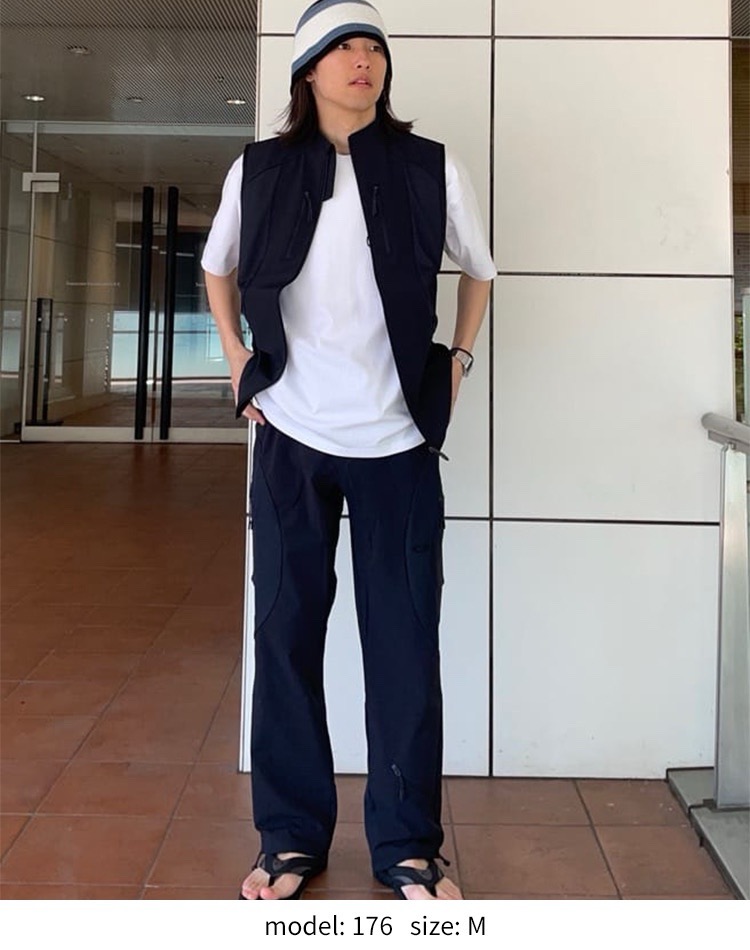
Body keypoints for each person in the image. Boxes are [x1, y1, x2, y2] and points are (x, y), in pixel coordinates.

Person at [202, 0, 494, 901]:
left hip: (398, 441)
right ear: (309, 69)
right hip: (291, 435)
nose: (363, 61)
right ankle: (289, 840)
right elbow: (217, 265)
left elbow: (480, 270)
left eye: (374, 48)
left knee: (403, 644)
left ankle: (408, 846)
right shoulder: (260, 168)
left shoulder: (429, 166)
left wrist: (458, 363)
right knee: (286, 635)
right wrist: (238, 360)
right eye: (342, 48)